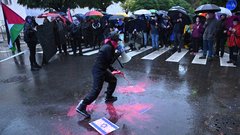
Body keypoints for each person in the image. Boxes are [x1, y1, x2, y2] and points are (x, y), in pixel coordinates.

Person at [76, 32, 123, 118]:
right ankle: (82, 106)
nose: (117, 43)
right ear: (112, 41)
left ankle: (108, 97)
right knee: (96, 90)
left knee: (113, 80)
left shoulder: (110, 47)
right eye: (116, 42)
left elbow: (107, 63)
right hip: (98, 71)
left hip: (102, 69)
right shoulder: (108, 48)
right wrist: (118, 53)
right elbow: (110, 61)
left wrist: (114, 70)